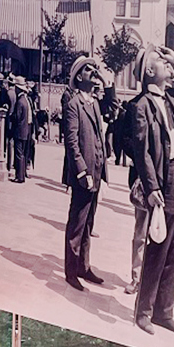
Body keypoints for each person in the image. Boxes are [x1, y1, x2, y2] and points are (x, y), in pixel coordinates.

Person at [130, 46, 174, 335]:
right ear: (150, 71)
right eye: (161, 62)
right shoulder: (141, 106)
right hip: (166, 177)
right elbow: (142, 152)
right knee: (159, 247)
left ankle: (164, 311)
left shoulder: (172, 99)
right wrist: (151, 187)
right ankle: (144, 312)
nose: (166, 64)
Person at [63, 57, 109, 291]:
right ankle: (71, 271)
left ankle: (84, 266)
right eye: (87, 69)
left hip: (97, 171)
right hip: (85, 174)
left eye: (94, 69)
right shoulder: (74, 104)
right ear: (78, 77)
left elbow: (99, 138)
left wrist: (102, 171)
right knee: (77, 222)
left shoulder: (94, 103)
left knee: (89, 222)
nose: (93, 71)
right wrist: (82, 171)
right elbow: (72, 143)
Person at [7, 79, 35, 183]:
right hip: (25, 130)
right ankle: (22, 175)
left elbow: (17, 117)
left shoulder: (20, 102)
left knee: (18, 154)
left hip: (19, 131)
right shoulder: (25, 101)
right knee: (22, 153)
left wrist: (11, 116)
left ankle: (19, 176)